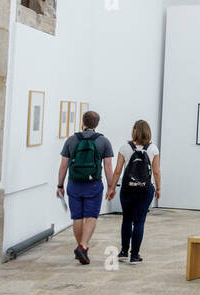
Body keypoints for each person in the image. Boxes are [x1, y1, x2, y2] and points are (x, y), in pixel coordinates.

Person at [57, 110, 115, 265]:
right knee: (91, 216)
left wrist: (60, 185)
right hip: (94, 184)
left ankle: (81, 247)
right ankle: (83, 246)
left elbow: (63, 166)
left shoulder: (71, 140)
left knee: (77, 217)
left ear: (83, 121)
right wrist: (111, 187)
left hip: (74, 183)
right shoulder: (103, 141)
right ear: (97, 124)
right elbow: (108, 167)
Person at [113, 119, 160, 264]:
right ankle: (134, 255)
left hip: (127, 189)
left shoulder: (124, 147)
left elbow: (117, 171)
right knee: (139, 222)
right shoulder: (153, 149)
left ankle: (123, 252)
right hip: (145, 190)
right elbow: (157, 171)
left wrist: (112, 187)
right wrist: (158, 188)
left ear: (134, 131)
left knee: (126, 219)